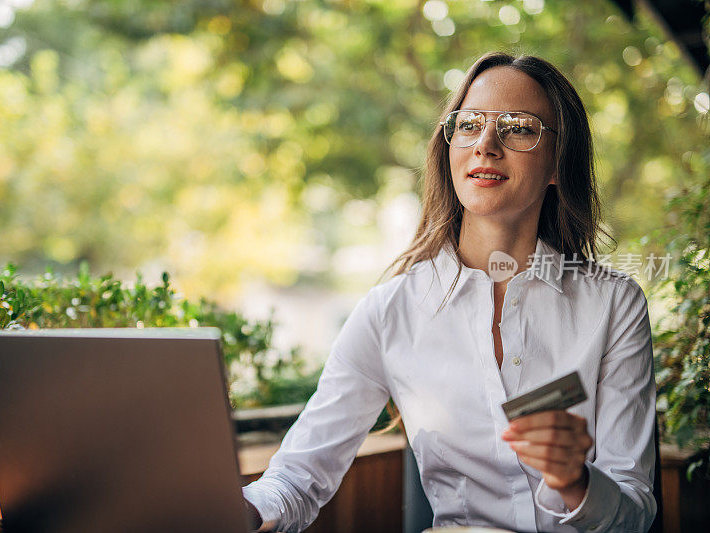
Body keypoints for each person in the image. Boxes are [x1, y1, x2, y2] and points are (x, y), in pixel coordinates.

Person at [242, 52, 657, 533]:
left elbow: (635, 513)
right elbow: (297, 477)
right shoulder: (388, 312)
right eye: (469, 125)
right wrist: (237, 511)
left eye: (519, 127)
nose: (486, 144)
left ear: (558, 164)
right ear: (450, 147)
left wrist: (574, 480)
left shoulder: (614, 304)